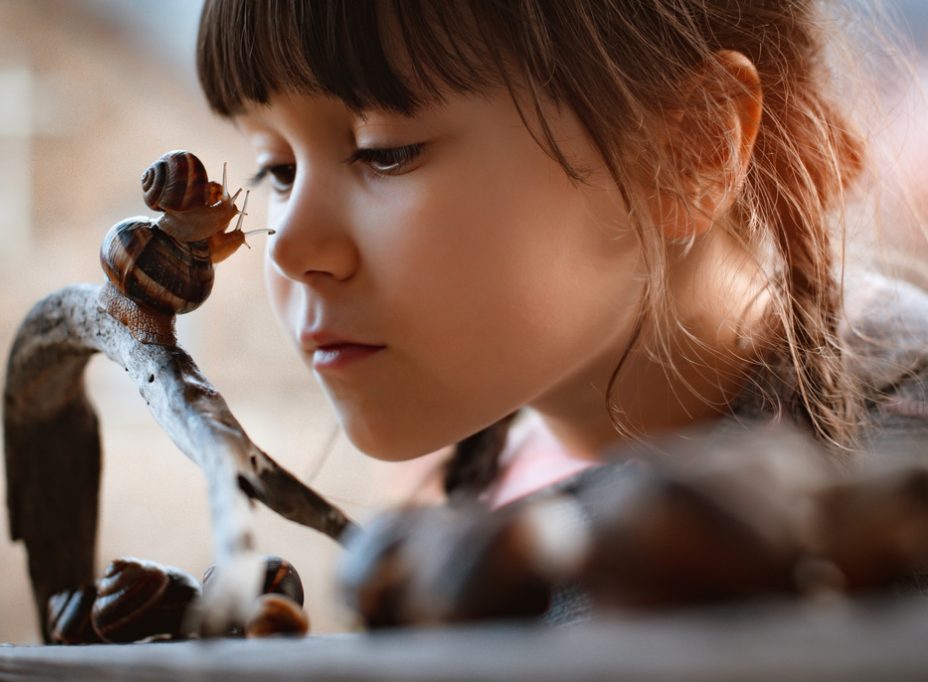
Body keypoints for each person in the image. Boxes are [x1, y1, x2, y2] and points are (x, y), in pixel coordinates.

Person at [195, 0, 928, 623]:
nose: (289, 248)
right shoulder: (481, 501)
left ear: (694, 147)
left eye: (385, 152)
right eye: (278, 170)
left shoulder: (898, 479)